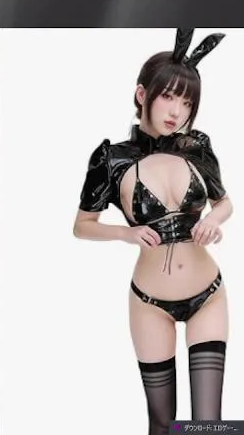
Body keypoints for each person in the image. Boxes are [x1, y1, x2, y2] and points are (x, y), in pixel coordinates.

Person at [74, 28, 233, 434]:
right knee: (162, 423)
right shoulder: (111, 159)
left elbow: (225, 202)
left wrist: (213, 220)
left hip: (208, 295)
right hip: (149, 303)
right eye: (169, 97)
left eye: (187, 102)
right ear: (142, 94)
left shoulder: (196, 146)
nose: (177, 111)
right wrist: (125, 234)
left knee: (208, 425)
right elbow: (82, 226)